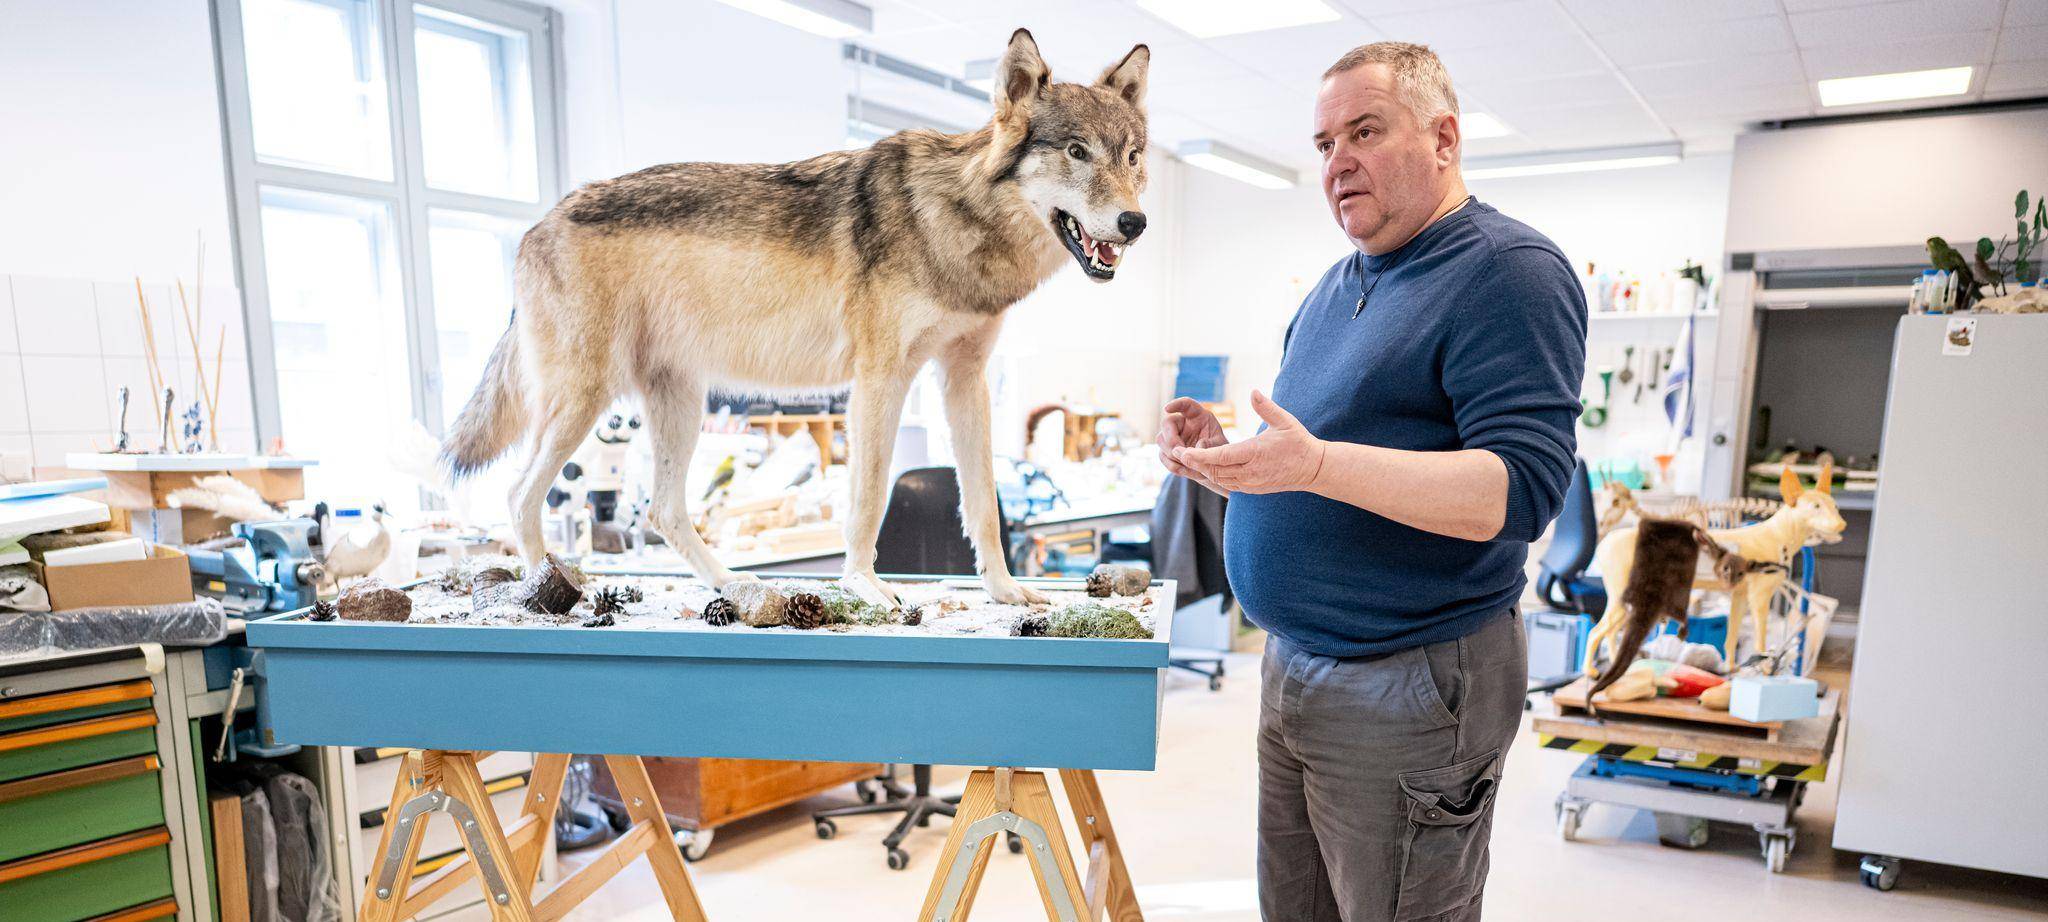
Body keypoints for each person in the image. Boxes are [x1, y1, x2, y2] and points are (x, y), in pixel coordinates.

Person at [1159, 42, 1587, 922]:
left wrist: (1312, 463)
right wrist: (1234, 460)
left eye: (1365, 130)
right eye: (1323, 144)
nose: (1337, 161)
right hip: (1296, 666)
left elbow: (1521, 491)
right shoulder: (1334, 285)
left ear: (1443, 137)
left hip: (1411, 680)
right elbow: (1332, 468)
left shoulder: (1506, 271)